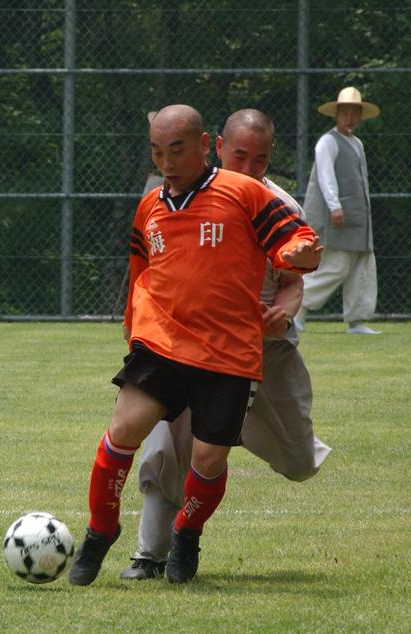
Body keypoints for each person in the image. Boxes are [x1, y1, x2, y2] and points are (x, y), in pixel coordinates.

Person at [68, 104, 322, 585]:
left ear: (204, 146)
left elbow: (294, 242)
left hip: (227, 351)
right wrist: (131, 325)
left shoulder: (245, 193)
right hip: (162, 343)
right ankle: (101, 533)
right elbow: (140, 274)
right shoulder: (150, 206)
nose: (167, 161)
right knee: (124, 431)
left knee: (209, 460)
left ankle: (187, 533)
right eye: (158, 151)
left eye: (177, 150)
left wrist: (299, 255)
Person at [296, 86, 382, 335]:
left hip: (357, 217)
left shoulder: (356, 143)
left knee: (360, 267)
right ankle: (297, 309)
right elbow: (325, 175)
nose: (350, 117)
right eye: (345, 112)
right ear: (337, 114)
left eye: (354, 112)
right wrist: (335, 206)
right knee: (336, 266)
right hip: (338, 216)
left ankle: (357, 321)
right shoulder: (328, 141)